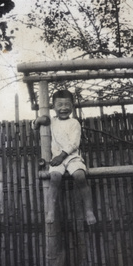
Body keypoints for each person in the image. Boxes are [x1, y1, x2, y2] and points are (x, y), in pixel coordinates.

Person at [33, 89, 96, 225]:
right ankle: (51, 211)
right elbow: (39, 124)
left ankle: (89, 210)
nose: (63, 108)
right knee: (54, 177)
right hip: (57, 158)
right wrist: (38, 121)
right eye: (59, 105)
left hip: (72, 156)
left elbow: (74, 143)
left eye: (67, 105)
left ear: (72, 106)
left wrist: (62, 156)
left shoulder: (74, 123)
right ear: (53, 107)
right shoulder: (52, 122)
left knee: (80, 176)